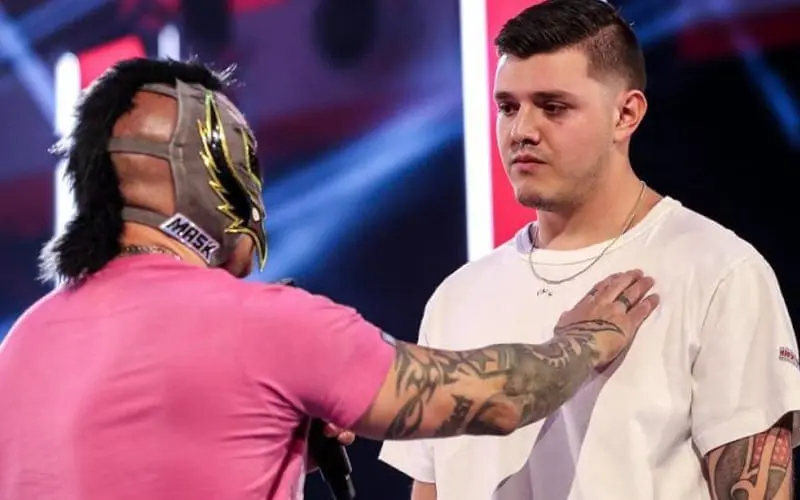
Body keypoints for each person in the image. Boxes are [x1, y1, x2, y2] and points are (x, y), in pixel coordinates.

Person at [0, 57, 659, 500]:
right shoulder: (264, 325)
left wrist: (263, 436)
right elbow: (497, 399)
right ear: (208, 171)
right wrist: (585, 339)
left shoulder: (24, 343)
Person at [379, 1, 800, 499]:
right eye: (508, 107)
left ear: (626, 114)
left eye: (553, 106)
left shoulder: (719, 272)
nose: (521, 131)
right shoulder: (456, 298)